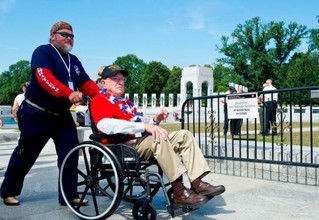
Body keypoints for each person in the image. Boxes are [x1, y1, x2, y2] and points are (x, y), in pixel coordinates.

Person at [90, 65, 226, 208]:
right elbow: (105, 125)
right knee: (159, 138)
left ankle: (197, 183)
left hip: (141, 140)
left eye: (122, 79)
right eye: (115, 79)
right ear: (104, 82)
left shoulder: (125, 103)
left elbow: (139, 126)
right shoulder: (99, 100)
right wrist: (145, 126)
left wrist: (155, 120)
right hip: (123, 146)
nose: (121, 82)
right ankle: (179, 191)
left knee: (184, 135)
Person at [0, 21, 100, 206]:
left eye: (71, 35)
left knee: (70, 154)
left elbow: (86, 84)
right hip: (36, 113)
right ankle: (8, 191)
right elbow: (44, 78)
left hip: (61, 115)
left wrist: (103, 96)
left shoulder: (74, 61)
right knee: (26, 154)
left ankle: (69, 197)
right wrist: (68, 93)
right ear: (53, 36)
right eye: (64, 34)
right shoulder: (43, 52)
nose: (69, 38)